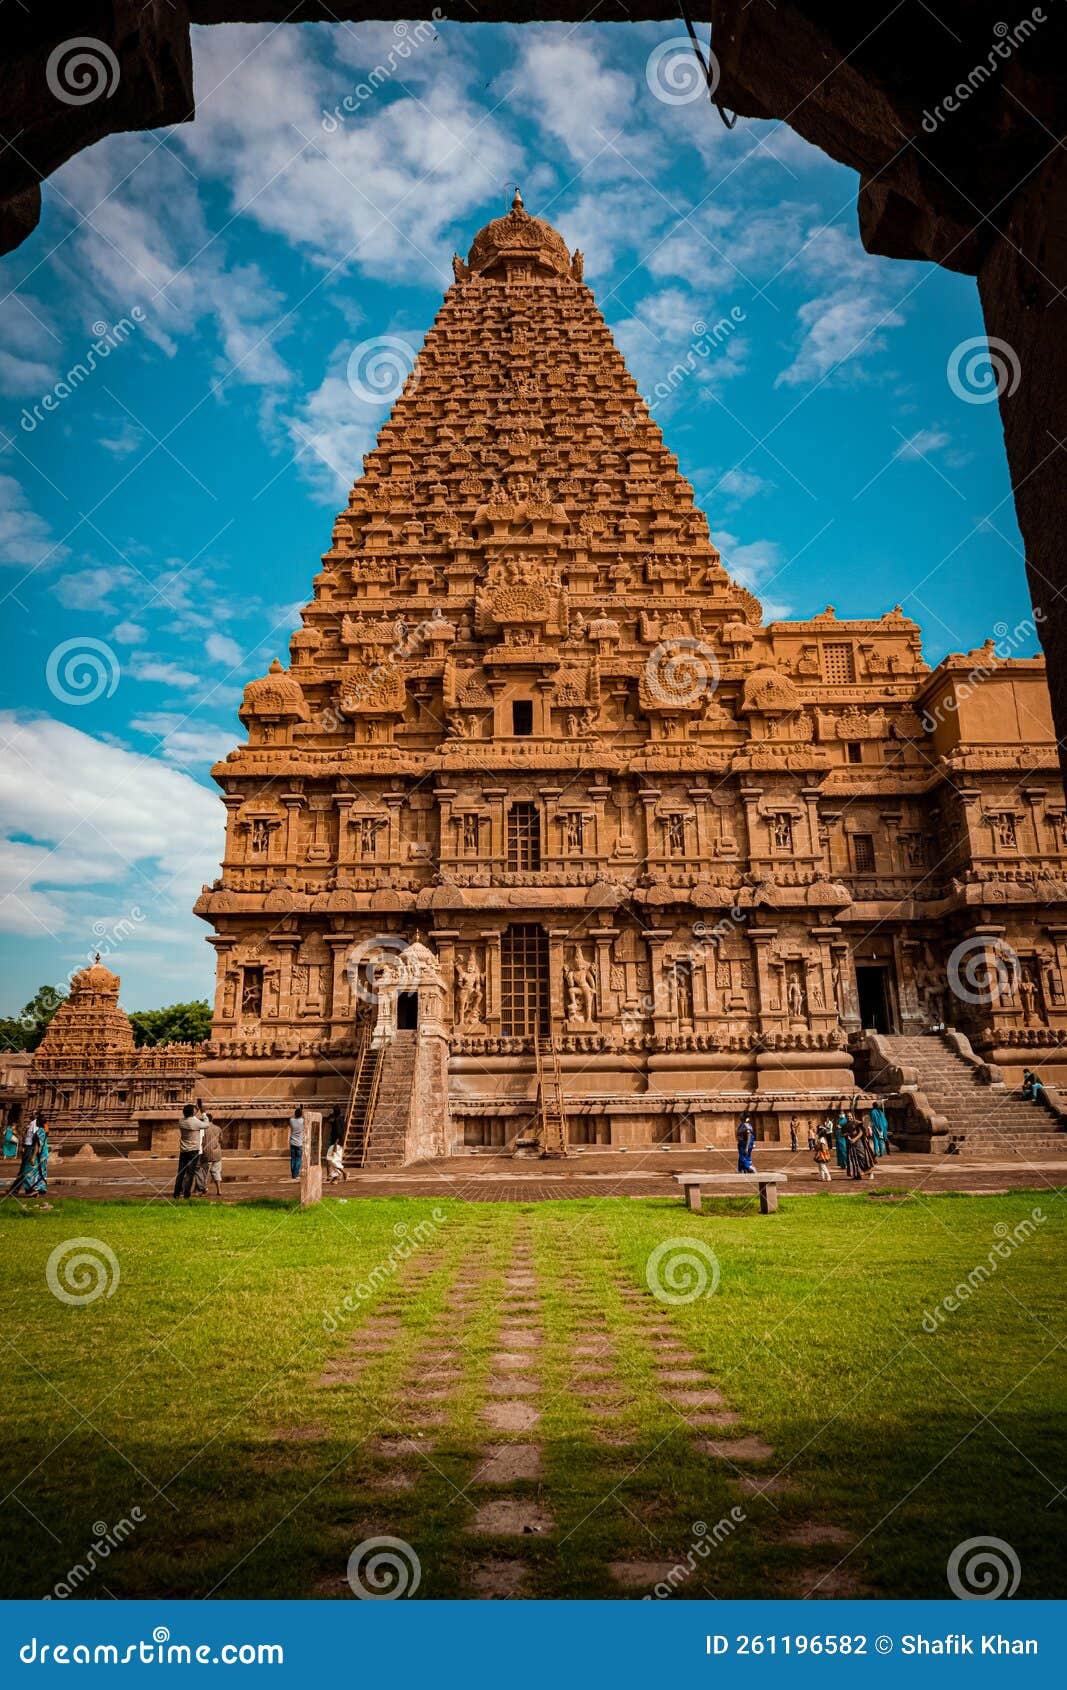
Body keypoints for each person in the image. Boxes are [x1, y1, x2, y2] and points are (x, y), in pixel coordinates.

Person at [173, 1104, 203, 1200]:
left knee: (181, 1172)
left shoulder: (181, 1121)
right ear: (192, 1113)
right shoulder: (195, 1123)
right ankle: (186, 1194)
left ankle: (177, 1193)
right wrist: (204, 1113)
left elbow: (193, 1120)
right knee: (190, 1173)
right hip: (193, 1150)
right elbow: (205, 1124)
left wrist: (196, 1110)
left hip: (184, 1150)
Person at [845, 1114, 875, 1181]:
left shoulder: (857, 1123)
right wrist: (846, 1135)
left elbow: (861, 1132)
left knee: (862, 1158)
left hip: (858, 1143)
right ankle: (857, 1175)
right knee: (853, 1159)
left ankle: (870, 1172)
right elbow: (844, 1132)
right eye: (847, 1117)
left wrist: (854, 1139)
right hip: (850, 1144)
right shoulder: (847, 1125)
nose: (849, 1118)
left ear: (852, 1116)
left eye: (850, 1116)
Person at [200, 1113, 223, 1199]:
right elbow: (221, 1139)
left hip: (206, 1153)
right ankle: (219, 1190)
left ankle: (204, 1191)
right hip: (217, 1153)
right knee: (216, 1172)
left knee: (204, 1174)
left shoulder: (202, 1129)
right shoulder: (218, 1128)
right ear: (212, 1119)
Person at [288, 1105, 305, 1180]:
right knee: (298, 1159)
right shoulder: (302, 1121)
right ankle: (296, 1174)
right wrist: (302, 1110)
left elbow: (293, 1116)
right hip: (299, 1143)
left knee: (293, 1159)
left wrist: (299, 1110)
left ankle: (293, 1174)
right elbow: (303, 1117)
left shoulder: (291, 1120)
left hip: (292, 1142)